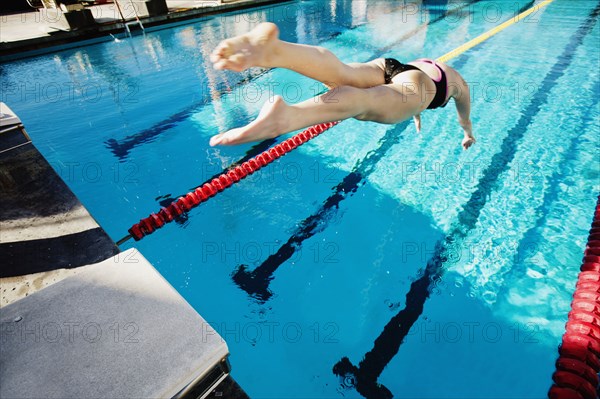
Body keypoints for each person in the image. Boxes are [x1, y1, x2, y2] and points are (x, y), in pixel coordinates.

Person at [209, 22, 475, 150]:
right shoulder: (458, 84)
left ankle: (275, 51)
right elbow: (463, 109)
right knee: (364, 102)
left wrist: (415, 111)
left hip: (392, 67)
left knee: (340, 73)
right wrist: (467, 132)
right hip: (416, 86)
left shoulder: (434, 68)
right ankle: (287, 118)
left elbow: (411, 89)